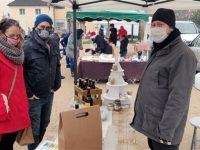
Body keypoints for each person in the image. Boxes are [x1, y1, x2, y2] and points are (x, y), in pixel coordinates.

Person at [130, 8, 197, 150]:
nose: (155, 28)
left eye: (160, 25)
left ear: (171, 27)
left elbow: (179, 98)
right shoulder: (160, 50)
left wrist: (165, 132)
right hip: (152, 126)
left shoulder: (183, 55)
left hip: (164, 133)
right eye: (153, 25)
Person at [23, 14, 61, 150]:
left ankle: (39, 147)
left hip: (49, 93)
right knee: (34, 130)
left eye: (48, 27)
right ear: (35, 27)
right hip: (35, 97)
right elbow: (20, 73)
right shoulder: (27, 48)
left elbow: (57, 65)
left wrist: (57, 84)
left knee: (45, 124)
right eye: (41, 27)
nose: (44, 30)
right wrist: (28, 93)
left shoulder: (53, 44)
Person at [0, 18, 31, 150]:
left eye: (17, 36)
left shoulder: (17, 54)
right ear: (2, 35)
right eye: (11, 36)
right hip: (3, 113)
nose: (16, 39)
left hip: (16, 112)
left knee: (9, 145)